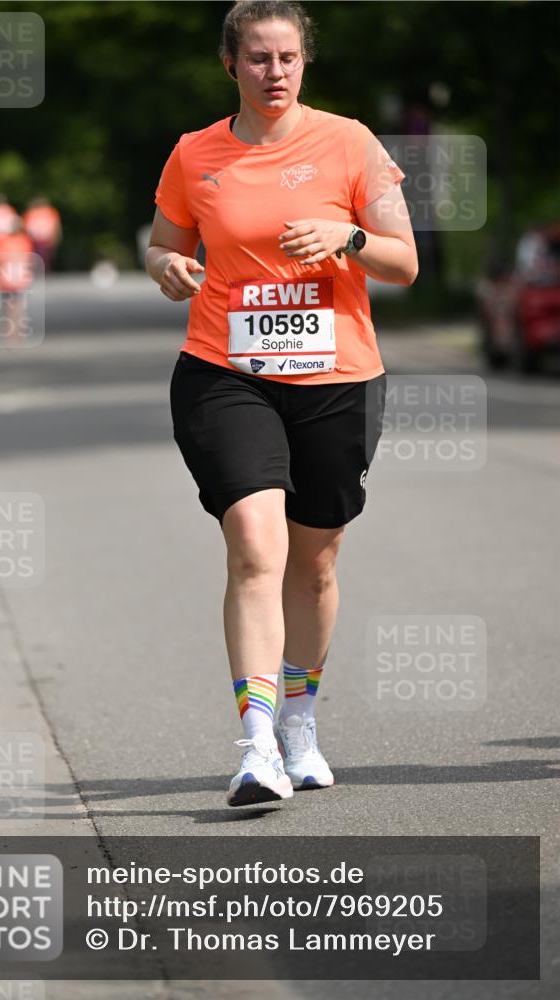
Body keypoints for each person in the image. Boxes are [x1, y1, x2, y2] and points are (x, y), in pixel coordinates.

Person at [146, 0, 417, 807]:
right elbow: (163, 242)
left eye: (288, 58)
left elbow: (404, 263)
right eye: (258, 58)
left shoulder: (348, 143)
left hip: (336, 376)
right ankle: (256, 745)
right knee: (256, 548)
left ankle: (300, 722)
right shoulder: (196, 153)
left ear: (305, 63)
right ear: (230, 64)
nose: (274, 73)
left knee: (316, 556)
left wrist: (349, 240)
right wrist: (165, 267)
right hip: (225, 371)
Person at [22, 197, 62, 273]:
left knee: (44, 257)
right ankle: (41, 271)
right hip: (36, 239)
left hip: (45, 238)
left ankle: (43, 271)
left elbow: (55, 225)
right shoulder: (32, 212)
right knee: (39, 257)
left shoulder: (49, 211)